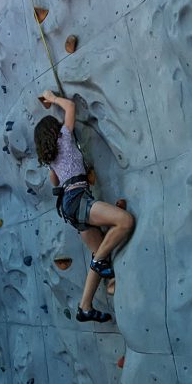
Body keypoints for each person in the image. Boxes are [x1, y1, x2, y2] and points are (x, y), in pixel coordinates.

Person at [34, 89, 134, 323]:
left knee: (100, 254)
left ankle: (85, 306)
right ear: (54, 130)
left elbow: (54, 181)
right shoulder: (64, 138)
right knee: (124, 221)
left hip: (68, 207)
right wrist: (52, 98)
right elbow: (70, 107)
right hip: (79, 198)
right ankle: (102, 265)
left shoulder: (51, 157)